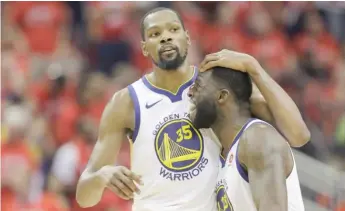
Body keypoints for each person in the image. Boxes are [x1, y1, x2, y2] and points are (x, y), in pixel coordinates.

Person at [76, 7, 310, 211]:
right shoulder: (125, 101)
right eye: (155, 34)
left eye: (173, 30)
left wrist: (254, 68)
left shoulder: (214, 85)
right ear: (144, 48)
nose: (165, 38)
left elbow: (298, 135)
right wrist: (103, 176)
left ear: (188, 38)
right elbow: (84, 196)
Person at [188, 66, 305, 211]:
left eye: (198, 86)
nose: (189, 92)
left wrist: (250, 66)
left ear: (222, 96)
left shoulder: (258, 139)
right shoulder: (225, 153)